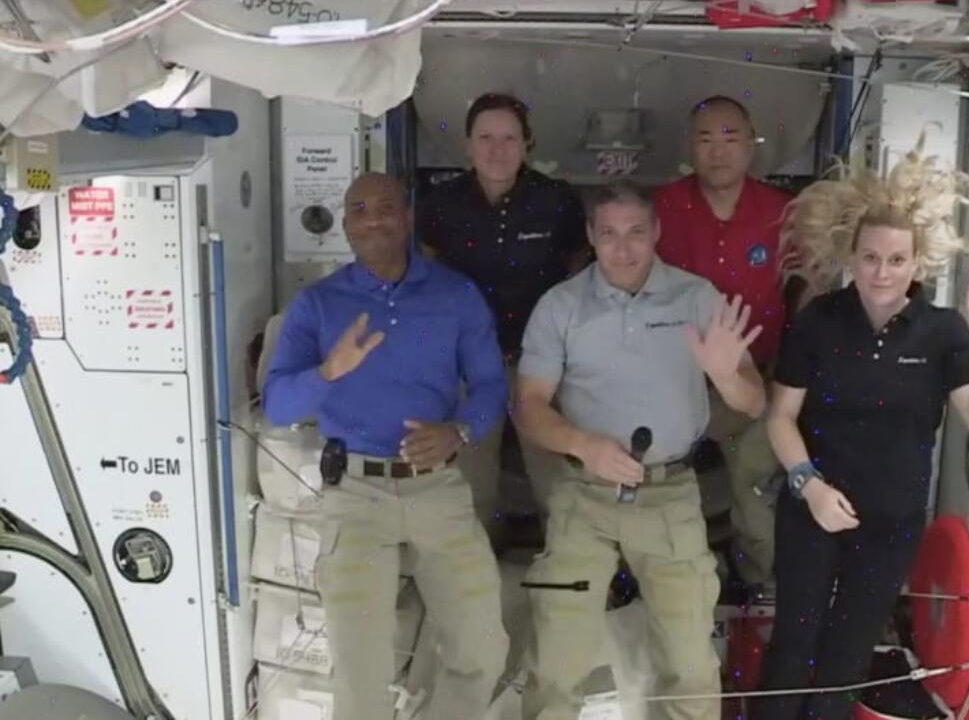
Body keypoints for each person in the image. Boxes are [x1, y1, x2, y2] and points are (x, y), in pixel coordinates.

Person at [750, 144, 969, 720]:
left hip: (890, 524)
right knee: (795, 645)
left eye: (896, 260)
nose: (881, 272)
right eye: (870, 258)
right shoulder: (818, 321)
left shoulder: (943, 330)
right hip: (813, 508)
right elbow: (779, 417)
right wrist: (809, 485)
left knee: (848, 655)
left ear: (917, 263)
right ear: (852, 255)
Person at [513, 184, 767, 720]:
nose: (622, 248)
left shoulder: (697, 297)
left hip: (669, 495)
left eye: (635, 233)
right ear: (590, 236)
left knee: (690, 661)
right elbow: (528, 406)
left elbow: (753, 401)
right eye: (608, 234)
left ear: (655, 233)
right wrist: (583, 445)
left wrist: (726, 375)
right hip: (585, 494)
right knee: (556, 660)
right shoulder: (560, 306)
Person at [262, 172, 510, 720]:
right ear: (346, 227)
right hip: (354, 494)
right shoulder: (318, 305)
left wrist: (460, 430)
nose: (374, 218)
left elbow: (493, 384)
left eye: (386, 206)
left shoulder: (455, 295)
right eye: (360, 210)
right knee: (360, 671)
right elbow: (277, 405)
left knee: (481, 649)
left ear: (407, 215)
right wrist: (329, 371)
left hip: (438, 487)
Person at [418, 92, 589, 533]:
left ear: (527, 144)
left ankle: (570, 564)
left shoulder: (556, 201)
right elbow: (427, 276)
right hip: (469, 367)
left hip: (541, 364)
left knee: (558, 479)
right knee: (471, 481)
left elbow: (578, 273)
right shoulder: (441, 203)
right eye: (486, 138)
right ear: (467, 145)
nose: (497, 149)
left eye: (509, 138)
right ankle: (478, 573)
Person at [653, 95, 793, 587]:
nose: (718, 151)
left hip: (753, 382)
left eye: (730, 138)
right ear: (689, 146)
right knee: (656, 488)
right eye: (706, 139)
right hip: (675, 384)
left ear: (751, 146)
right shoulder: (661, 209)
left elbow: (812, 287)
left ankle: (759, 587)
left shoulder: (782, 214)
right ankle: (664, 582)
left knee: (756, 491)